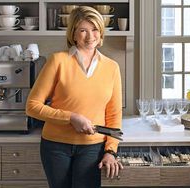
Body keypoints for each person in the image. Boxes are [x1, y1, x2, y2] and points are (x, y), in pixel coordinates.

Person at [26, 6, 123, 188]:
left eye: (94, 29)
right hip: (55, 146)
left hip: (93, 148)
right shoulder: (57, 61)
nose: (90, 36)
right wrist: (71, 117)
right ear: (73, 34)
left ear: (101, 32)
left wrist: (111, 151)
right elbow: (32, 106)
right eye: (83, 30)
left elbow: (114, 115)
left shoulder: (112, 67)